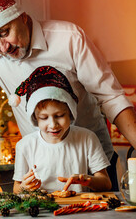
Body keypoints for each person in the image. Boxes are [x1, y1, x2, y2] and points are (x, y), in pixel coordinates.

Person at [0, 0, 136, 190]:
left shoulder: (68, 38)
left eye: (5, 33)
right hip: (40, 170)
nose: (3, 47)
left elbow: (111, 98)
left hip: (92, 163)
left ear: (23, 17)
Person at [12, 65, 112, 193]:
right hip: (42, 209)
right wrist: (24, 187)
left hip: (79, 209)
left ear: (70, 112)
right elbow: (16, 188)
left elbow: (106, 183)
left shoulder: (87, 138)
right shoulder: (25, 145)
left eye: (59, 116)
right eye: (44, 118)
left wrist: (87, 180)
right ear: (35, 118)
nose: (53, 124)